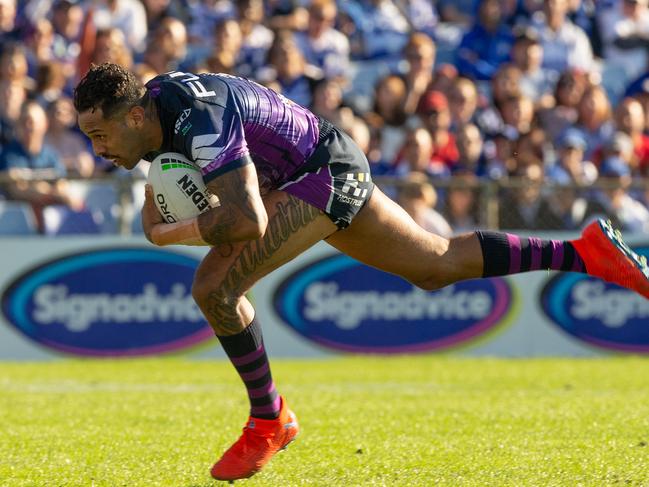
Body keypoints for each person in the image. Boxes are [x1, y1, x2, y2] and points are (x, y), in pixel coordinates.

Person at [73, 63, 649, 482]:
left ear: (136, 114)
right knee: (436, 266)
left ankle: (269, 418)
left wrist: (167, 231)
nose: (97, 149)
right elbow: (171, 191)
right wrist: (160, 210)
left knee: (214, 288)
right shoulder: (147, 117)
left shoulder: (192, 118)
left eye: (101, 136)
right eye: (90, 137)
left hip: (319, 170)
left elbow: (245, 220)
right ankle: (587, 254)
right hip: (320, 161)